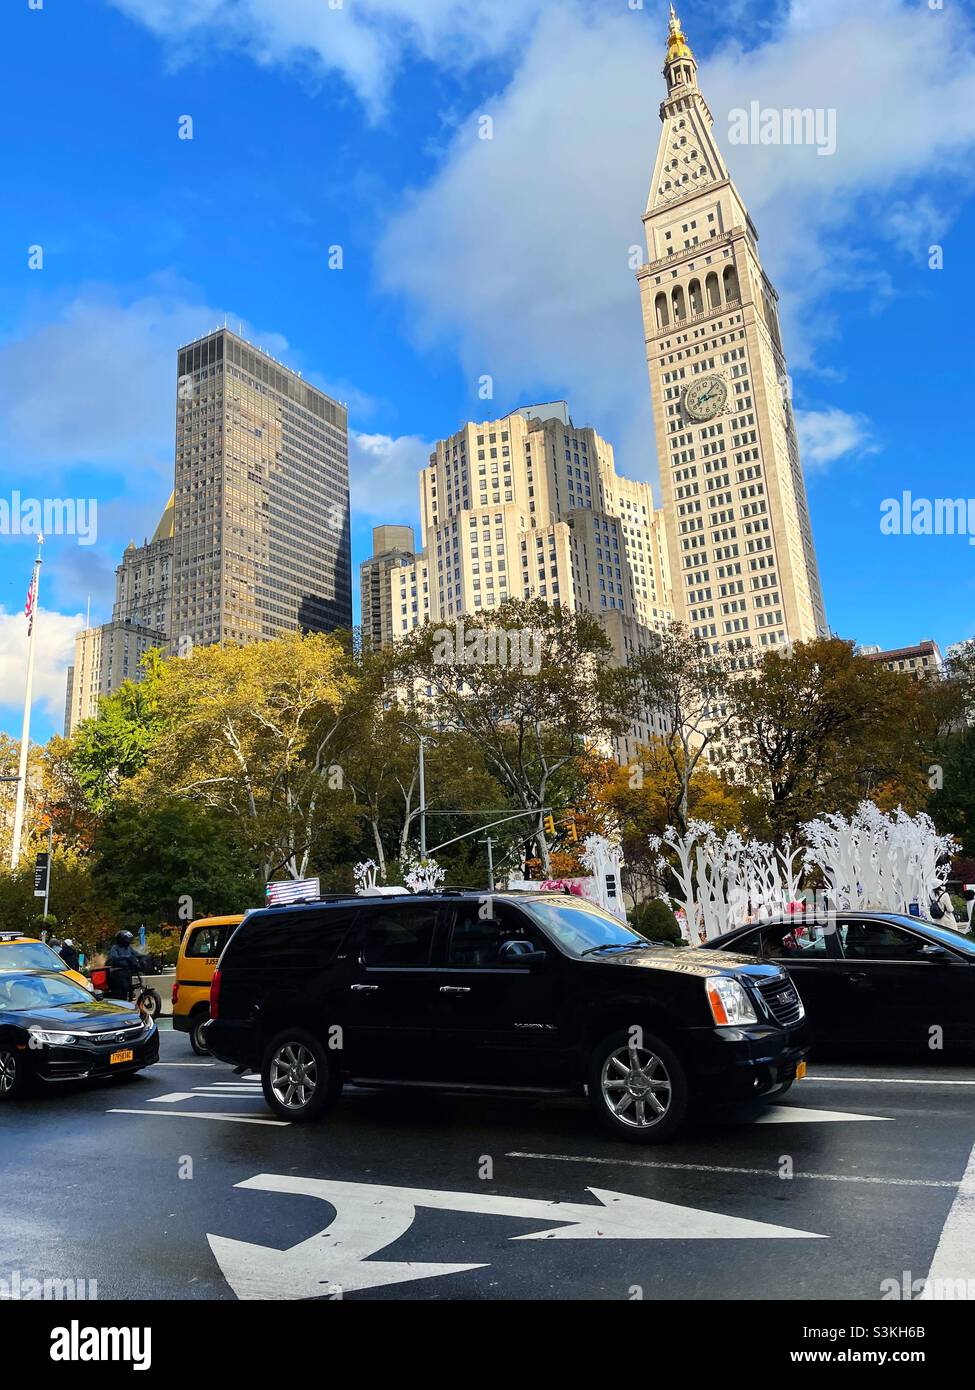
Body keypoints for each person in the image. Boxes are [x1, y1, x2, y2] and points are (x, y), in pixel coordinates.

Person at [106, 930, 148, 1000]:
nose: (128, 941)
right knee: (125, 988)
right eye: (127, 939)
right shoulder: (115, 947)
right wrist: (126, 956)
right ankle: (123, 1002)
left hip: (127, 971)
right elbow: (114, 957)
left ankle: (129, 998)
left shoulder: (129, 948)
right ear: (121, 940)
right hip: (118, 971)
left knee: (130, 988)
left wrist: (143, 956)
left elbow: (136, 954)